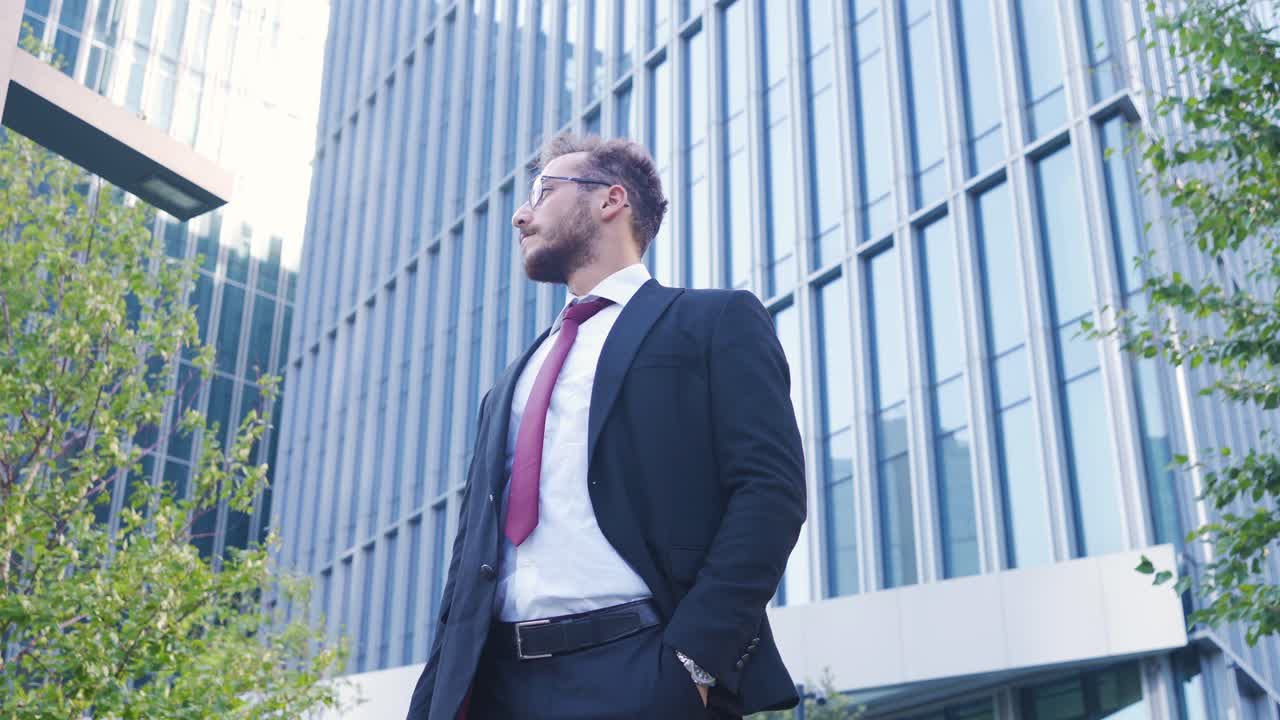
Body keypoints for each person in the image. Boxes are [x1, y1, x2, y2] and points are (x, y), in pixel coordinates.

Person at [405, 134, 806, 720]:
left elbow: (771, 494)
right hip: (495, 684)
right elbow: (471, 552)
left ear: (610, 199)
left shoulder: (713, 321)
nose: (521, 214)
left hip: (639, 671)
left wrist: (694, 662)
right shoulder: (512, 381)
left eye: (542, 191)